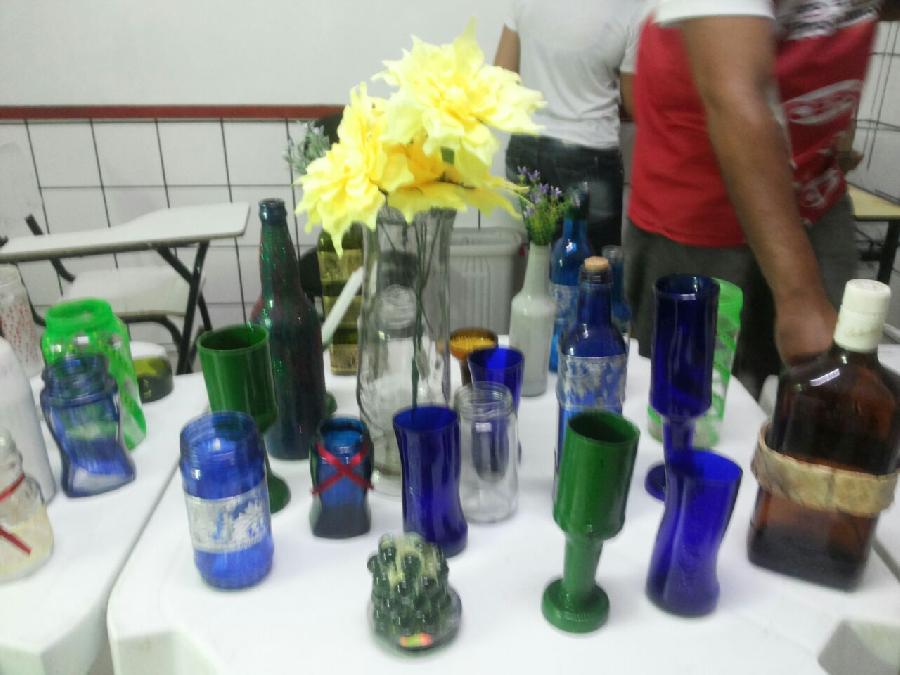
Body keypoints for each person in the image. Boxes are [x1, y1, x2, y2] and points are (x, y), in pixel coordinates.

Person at [624, 0, 898, 397]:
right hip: (702, 210)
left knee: (829, 391)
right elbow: (734, 97)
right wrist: (799, 299)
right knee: (689, 399)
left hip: (816, 193)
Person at [494, 0, 645, 251]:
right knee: (593, 265)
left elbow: (501, 76)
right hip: (589, 155)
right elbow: (635, 102)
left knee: (542, 259)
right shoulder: (631, 9)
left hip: (526, 150)